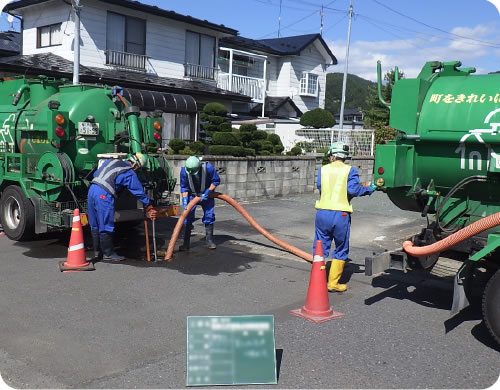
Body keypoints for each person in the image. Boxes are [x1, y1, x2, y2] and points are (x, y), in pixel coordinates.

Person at [313, 141, 376, 292]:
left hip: (322, 212)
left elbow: (321, 187)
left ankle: (317, 278)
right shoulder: (350, 170)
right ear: (344, 156)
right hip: (340, 214)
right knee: (341, 247)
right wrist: (371, 188)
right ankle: (333, 283)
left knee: (320, 246)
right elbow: (353, 190)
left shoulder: (323, 170)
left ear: (332, 155)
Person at [88, 153, 157, 261]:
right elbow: (138, 191)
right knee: (105, 224)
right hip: (104, 194)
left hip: (92, 190)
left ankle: (97, 252)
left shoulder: (110, 161)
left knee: (95, 223)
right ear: (136, 165)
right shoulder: (128, 172)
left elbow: (97, 173)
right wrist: (148, 205)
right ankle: (108, 254)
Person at [179, 156, 221, 251]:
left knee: (209, 216)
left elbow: (215, 181)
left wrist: (208, 192)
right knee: (187, 216)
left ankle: (209, 240)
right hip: (192, 195)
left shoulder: (208, 168)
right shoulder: (184, 171)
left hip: (207, 195)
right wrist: (185, 200)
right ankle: (186, 243)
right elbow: (184, 187)